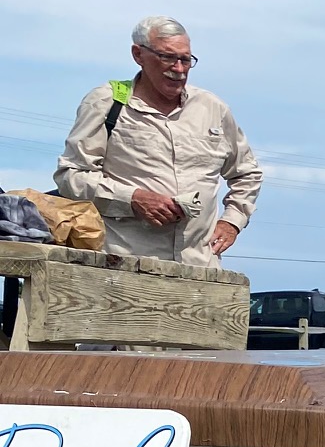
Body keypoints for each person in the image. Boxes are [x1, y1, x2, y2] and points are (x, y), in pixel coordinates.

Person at [55, 16, 263, 267]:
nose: (178, 69)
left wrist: (232, 221)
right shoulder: (107, 103)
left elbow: (247, 173)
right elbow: (71, 176)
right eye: (167, 57)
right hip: (123, 266)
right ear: (138, 54)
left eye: (186, 59)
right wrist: (133, 199)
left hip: (199, 268)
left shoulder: (212, 108)